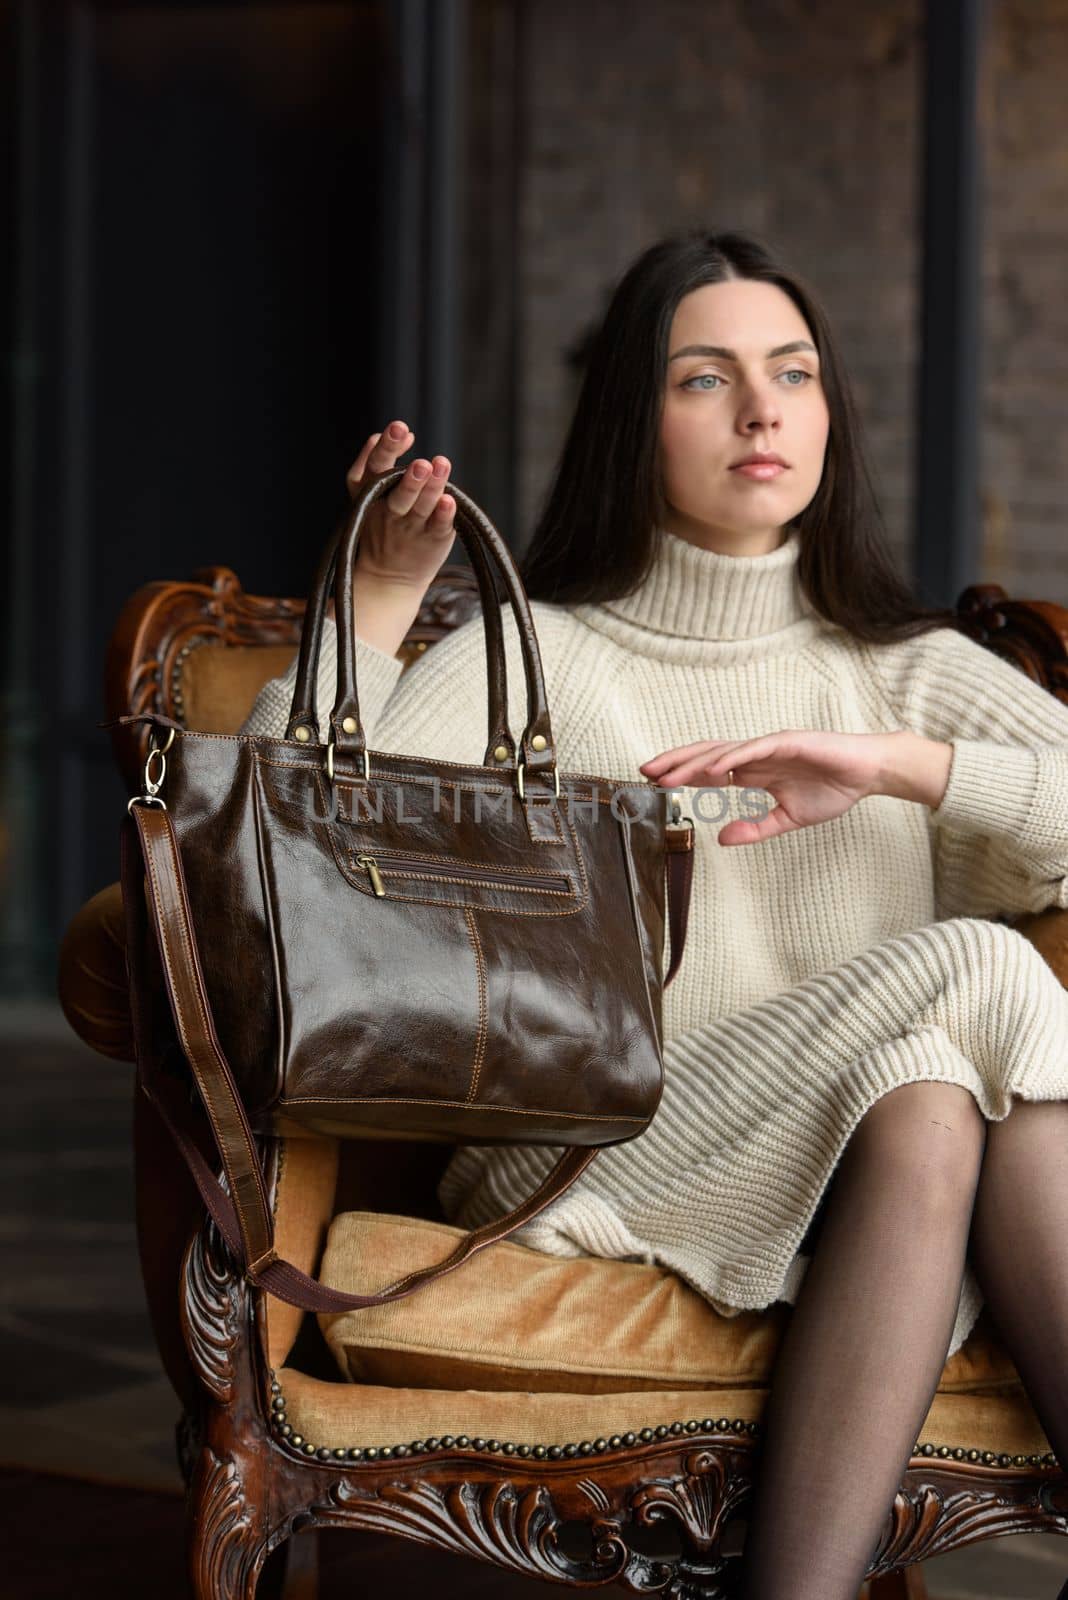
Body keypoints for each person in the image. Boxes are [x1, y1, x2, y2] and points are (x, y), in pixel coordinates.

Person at [240, 228, 1068, 1600]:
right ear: (637, 417)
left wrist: (895, 768)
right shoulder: (544, 660)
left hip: (857, 1181)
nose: (763, 409)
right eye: (706, 377)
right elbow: (284, 842)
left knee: (927, 1089)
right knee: (978, 972)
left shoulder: (910, 674)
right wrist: (378, 602)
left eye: (793, 373)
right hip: (595, 1149)